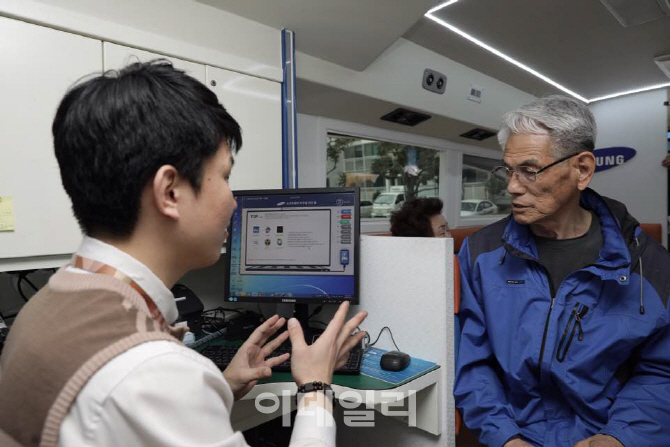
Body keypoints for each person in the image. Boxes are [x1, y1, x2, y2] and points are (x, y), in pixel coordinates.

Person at [0, 61, 368, 446]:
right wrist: (314, 386)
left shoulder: (47, 303)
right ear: (170, 192)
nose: (234, 202)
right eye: (225, 176)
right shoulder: (156, 373)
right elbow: (148, 391)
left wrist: (223, 385)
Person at [454, 95, 670, 447]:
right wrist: (504, 437)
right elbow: (473, 361)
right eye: (508, 170)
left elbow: (662, 370)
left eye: (530, 170)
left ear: (582, 169)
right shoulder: (480, 253)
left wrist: (620, 437)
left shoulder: (650, 265)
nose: (512, 186)